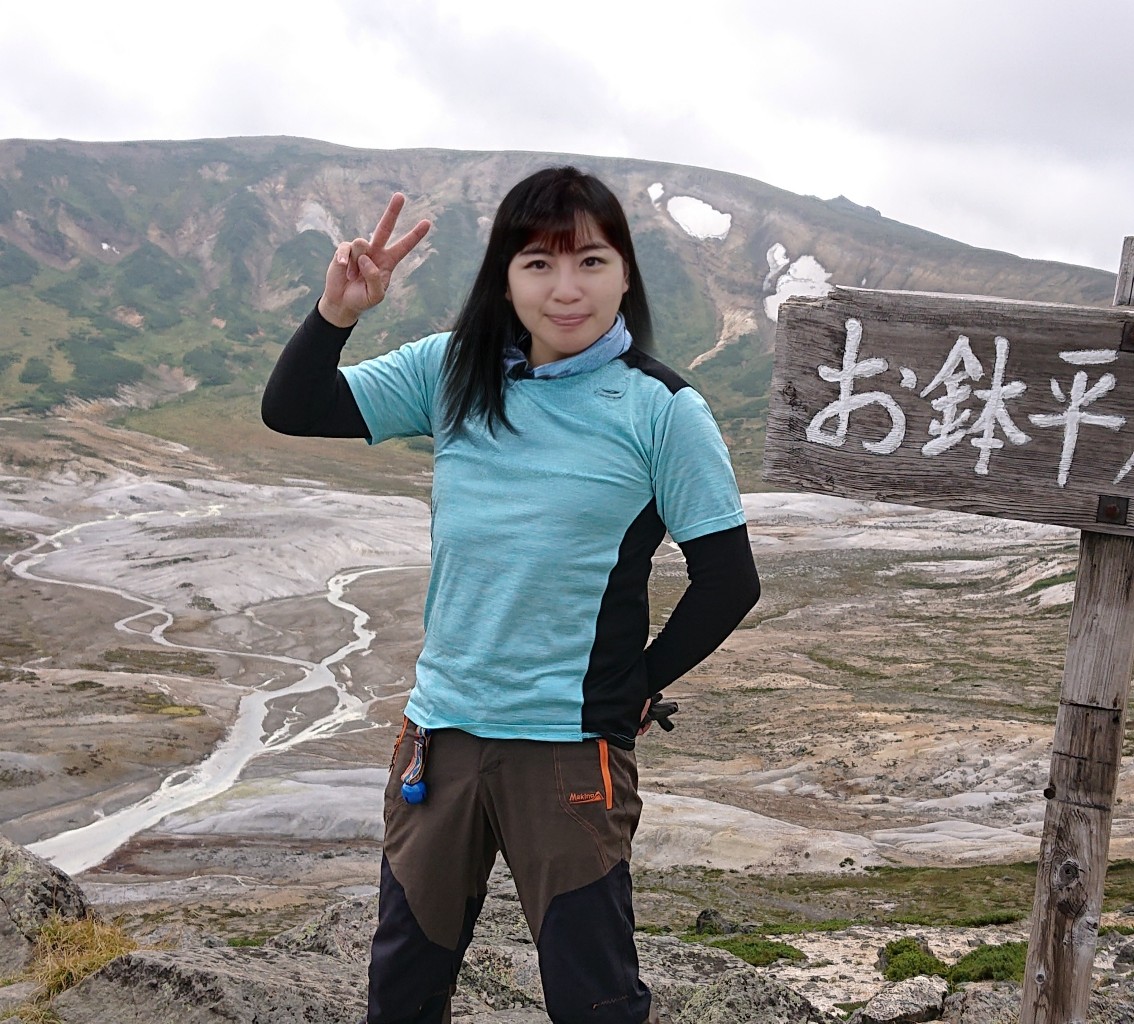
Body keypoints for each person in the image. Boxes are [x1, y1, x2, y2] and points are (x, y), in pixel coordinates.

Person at [262, 167, 760, 1024]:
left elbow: (729, 579)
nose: (566, 290)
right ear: (505, 274)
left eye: (591, 263)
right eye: (538, 264)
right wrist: (336, 314)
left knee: (593, 999)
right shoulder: (454, 371)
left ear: (627, 274)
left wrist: (637, 684)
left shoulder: (662, 409)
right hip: (440, 741)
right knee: (404, 993)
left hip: (568, 756)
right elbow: (296, 408)